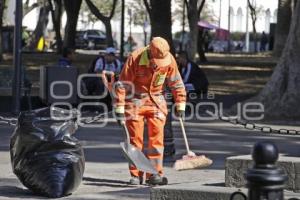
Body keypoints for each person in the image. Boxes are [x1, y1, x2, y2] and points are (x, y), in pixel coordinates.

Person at [114, 37, 186, 185]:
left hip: (156, 101)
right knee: (135, 141)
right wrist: (120, 107)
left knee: (157, 141)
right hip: (135, 100)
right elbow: (122, 84)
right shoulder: (135, 58)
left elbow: (176, 83)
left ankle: (154, 174)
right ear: (150, 53)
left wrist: (181, 104)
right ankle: (136, 175)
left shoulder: (169, 59)